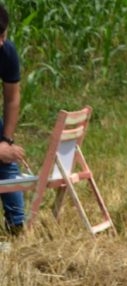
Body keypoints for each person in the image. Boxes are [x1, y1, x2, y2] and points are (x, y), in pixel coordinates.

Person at [0, 3, 26, 237]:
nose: (0, 42)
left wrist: (6, 141)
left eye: (3, 35)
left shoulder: (6, 51)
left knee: (7, 163)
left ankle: (17, 228)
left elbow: (12, 98)